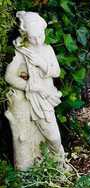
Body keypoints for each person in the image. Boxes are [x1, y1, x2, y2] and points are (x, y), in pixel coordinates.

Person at [5, 11, 65, 169]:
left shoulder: (47, 49)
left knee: (54, 138)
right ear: (25, 35)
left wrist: (41, 63)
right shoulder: (21, 52)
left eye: (40, 35)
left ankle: (60, 166)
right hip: (33, 100)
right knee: (49, 136)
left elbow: (56, 71)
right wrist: (32, 87)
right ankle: (54, 166)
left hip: (47, 97)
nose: (38, 41)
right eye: (33, 37)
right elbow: (9, 77)